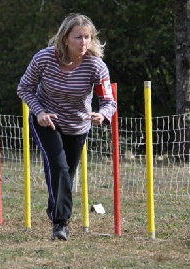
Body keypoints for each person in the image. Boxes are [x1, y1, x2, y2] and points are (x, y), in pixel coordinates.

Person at [17, 13, 116, 240]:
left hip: (78, 126)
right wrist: (39, 112)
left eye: (87, 37)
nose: (83, 43)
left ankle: (55, 208)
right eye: (78, 37)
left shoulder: (96, 66)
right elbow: (24, 88)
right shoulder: (44, 58)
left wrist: (102, 114)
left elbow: (109, 100)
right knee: (59, 167)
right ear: (65, 39)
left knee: (67, 174)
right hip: (47, 121)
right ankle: (61, 224)